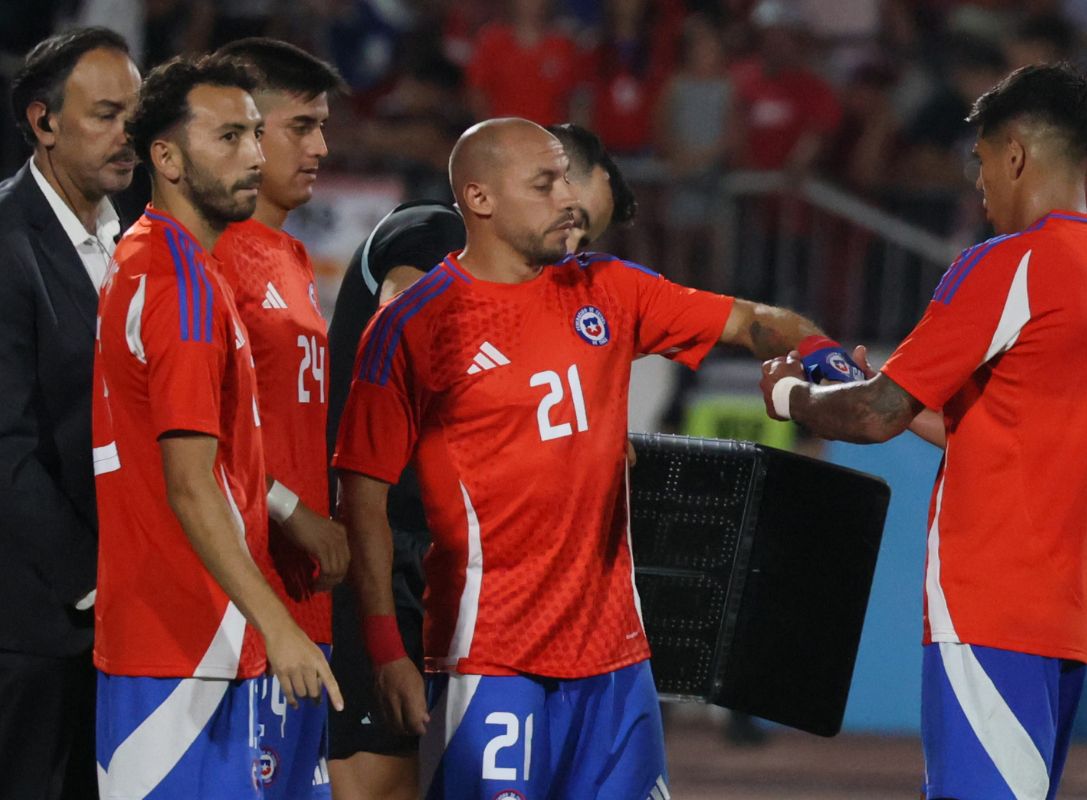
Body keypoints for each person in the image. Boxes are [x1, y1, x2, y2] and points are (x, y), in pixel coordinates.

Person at [334, 116, 848, 799]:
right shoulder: (412, 326)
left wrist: (827, 364)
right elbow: (362, 499)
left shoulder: (609, 288)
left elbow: (758, 321)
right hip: (489, 656)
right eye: (545, 184)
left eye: (568, 182)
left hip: (615, 658)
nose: (567, 200)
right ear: (480, 199)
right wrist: (387, 651)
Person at [759, 63, 1087, 799]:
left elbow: (877, 416)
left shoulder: (1010, 265)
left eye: (979, 162)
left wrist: (792, 395)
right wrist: (862, 387)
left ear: (1015, 156)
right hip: (1070, 608)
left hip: (993, 600)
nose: (976, 184)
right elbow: (996, 425)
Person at [324, 121, 638, 800]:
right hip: (390, 554)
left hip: (462, 574)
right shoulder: (432, 234)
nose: (572, 247)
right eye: (572, 220)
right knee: (381, 781)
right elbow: (416, 325)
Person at [92, 54, 341, 799]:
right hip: (181, 644)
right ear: (165, 157)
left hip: (181, 640)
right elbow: (192, 486)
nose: (254, 157)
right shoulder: (178, 284)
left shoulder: (165, 264)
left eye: (256, 136)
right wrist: (280, 624)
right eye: (229, 137)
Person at [209, 37, 350, 799]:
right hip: (241, 613)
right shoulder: (210, 258)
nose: (321, 146)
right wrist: (294, 513)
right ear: (244, 131)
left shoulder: (290, 257)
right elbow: (193, 437)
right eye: (302, 126)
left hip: (301, 602)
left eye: (322, 126)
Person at [0, 26, 138, 800]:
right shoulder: (6, 239)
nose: (130, 136)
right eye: (106, 115)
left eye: (137, 115)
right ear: (42, 122)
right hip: (32, 627)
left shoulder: (144, 238)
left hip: (120, 626)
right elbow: (4, 446)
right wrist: (98, 580)